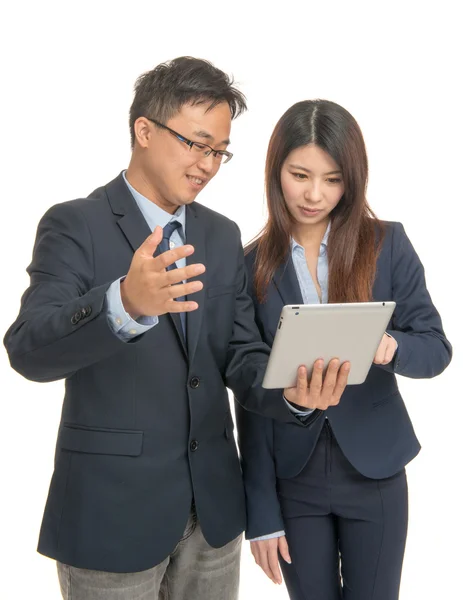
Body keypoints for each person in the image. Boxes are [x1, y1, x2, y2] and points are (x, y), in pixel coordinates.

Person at [3, 60, 347, 600]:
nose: (207, 164)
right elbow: (28, 350)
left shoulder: (219, 234)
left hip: (212, 516)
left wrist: (293, 391)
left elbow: (240, 352)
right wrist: (122, 303)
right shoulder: (75, 224)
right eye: (196, 143)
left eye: (219, 151)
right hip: (111, 518)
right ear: (144, 131)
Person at [237, 99, 452, 600]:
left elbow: (436, 349)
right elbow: (248, 395)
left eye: (333, 179)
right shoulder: (249, 266)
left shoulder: (387, 244)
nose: (314, 195)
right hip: (294, 477)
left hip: (375, 470)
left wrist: (389, 345)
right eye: (300, 175)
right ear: (275, 172)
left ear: (351, 180)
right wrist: (262, 514)